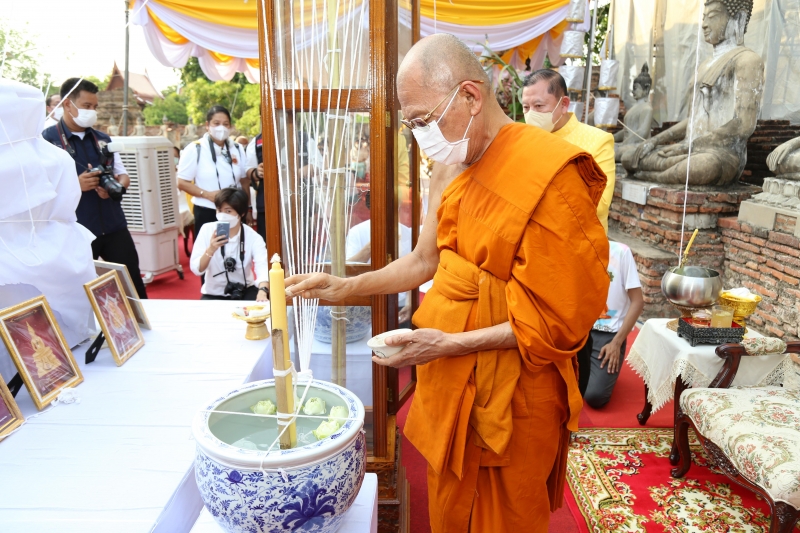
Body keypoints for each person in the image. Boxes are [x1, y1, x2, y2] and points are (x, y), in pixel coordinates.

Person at [285, 33, 610, 532]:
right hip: (451, 378)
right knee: (449, 509)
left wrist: (450, 344)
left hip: (515, 391)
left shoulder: (548, 173)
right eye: (412, 125)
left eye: (423, 120)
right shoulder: (448, 163)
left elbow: (560, 318)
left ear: (470, 96)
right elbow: (423, 261)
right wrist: (344, 286)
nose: (421, 136)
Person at [42, 78, 148, 299]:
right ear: (67, 104)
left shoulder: (103, 139)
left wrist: (115, 187)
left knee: (132, 286)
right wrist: (75, 185)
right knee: (78, 293)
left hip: (114, 225)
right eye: (86, 106)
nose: (92, 111)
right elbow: (40, 189)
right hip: (76, 231)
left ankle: (142, 319)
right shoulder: (47, 141)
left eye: (95, 107)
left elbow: (123, 175)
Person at [522, 69, 615, 235]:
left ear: (564, 104)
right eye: (526, 107)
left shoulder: (597, 141)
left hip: (579, 242)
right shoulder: (523, 140)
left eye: (539, 106)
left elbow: (600, 203)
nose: (531, 114)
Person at [584, 242, 643, 408]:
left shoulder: (621, 252)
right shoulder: (572, 247)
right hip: (579, 330)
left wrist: (616, 343)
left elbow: (637, 302)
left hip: (608, 335)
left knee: (595, 396)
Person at [177, 105, 248, 241]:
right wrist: (208, 195)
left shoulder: (237, 148)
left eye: (225, 124)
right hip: (208, 210)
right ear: (207, 125)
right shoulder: (195, 149)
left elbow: (244, 180)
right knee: (211, 249)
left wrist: (247, 208)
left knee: (235, 247)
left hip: (235, 210)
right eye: (216, 123)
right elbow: (181, 183)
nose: (221, 128)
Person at [189, 188, 269, 301]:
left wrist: (263, 291)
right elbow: (197, 269)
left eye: (228, 211)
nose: (223, 215)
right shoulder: (207, 230)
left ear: (241, 213)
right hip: (214, 293)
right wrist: (211, 250)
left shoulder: (253, 237)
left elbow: (262, 266)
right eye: (219, 210)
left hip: (245, 290)